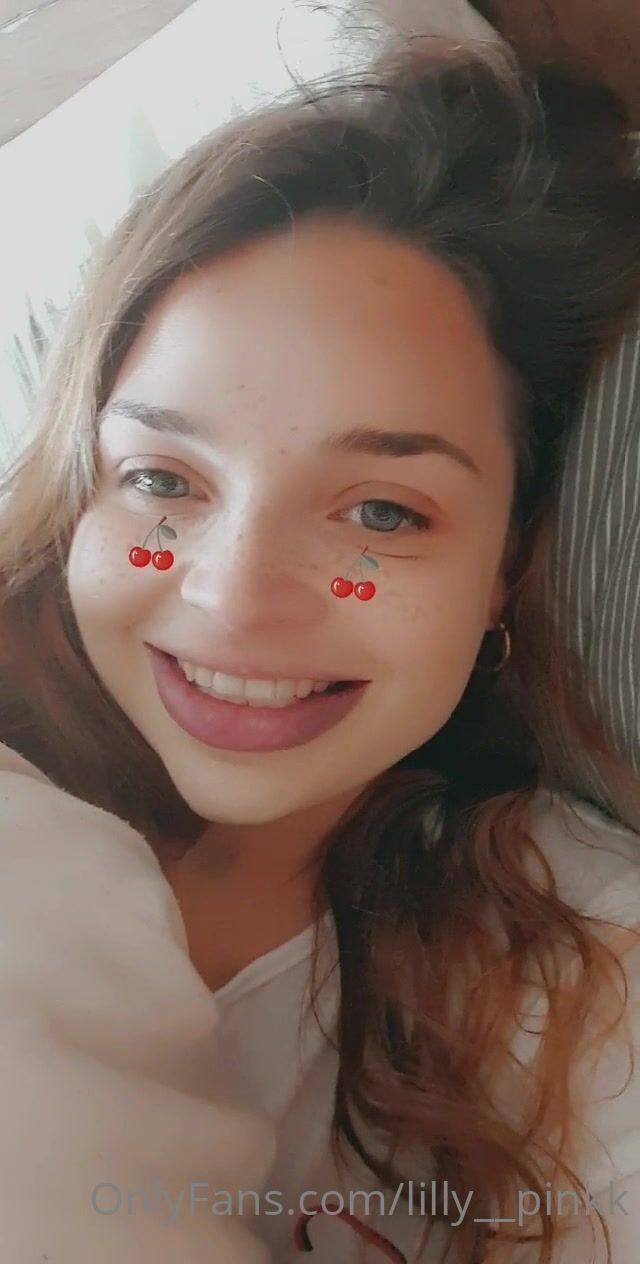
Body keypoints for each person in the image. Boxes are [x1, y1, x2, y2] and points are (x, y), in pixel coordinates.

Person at [0, 36, 639, 1264]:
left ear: (504, 566)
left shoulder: (589, 978)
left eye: (381, 512)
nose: (236, 600)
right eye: (163, 480)